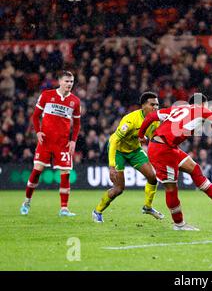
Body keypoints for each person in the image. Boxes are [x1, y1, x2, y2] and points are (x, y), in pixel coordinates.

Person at [138, 93, 212, 231]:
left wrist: (141, 136)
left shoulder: (178, 109)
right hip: (162, 150)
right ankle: (179, 224)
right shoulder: (201, 109)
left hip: (168, 147)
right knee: (171, 188)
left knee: (194, 168)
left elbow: (151, 117)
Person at [92, 92, 164, 223]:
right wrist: (112, 166)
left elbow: (154, 138)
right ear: (143, 106)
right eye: (152, 104)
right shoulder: (130, 120)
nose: (155, 107)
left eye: (157, 104)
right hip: (119, 150)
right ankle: (97, 211)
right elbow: (114, 140)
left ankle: (148, 207)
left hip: (135, 150)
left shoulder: (155, 120)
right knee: (119, 189)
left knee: (153, 178)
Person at [20, 71, 81, 216]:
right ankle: (26, 202)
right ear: (59, 81)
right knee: (37, 171)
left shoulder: (75, 101)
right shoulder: (46, 95)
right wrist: (38, 132)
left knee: (65, 173)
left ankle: (64, 209)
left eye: (71, 82)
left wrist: (73, 141)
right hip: (46, 142)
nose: (69, 84)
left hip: (63, 143)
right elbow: (35, 116)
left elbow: (77, 124)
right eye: (66, 81)